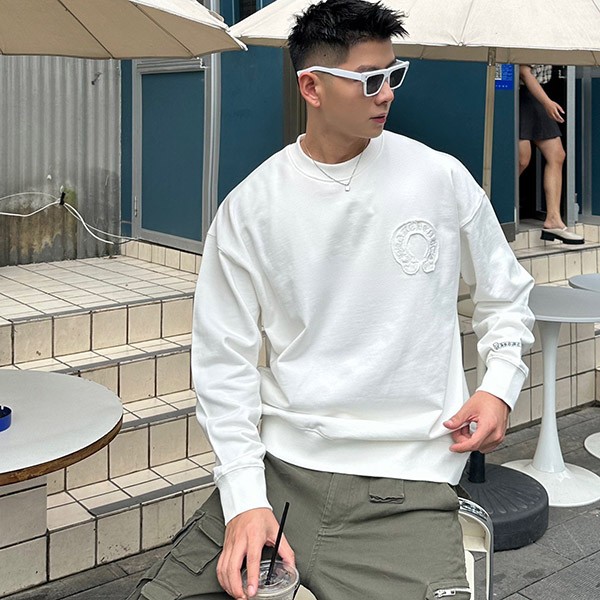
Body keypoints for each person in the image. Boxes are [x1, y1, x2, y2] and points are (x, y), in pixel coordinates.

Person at [128, 1, 535, 599]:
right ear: (311, 87)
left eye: (393, 75)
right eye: (369, 79)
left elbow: (505, 295)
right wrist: (244, 499)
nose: (386, 94)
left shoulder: (440, 179)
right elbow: (223, 363)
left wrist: (499, 385)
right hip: (279, 472)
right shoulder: (251, 207)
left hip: (408, 485)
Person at [518, 64, 584, 244]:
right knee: (522, 159)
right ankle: (494, 207)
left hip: (537, 93)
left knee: (557, 155)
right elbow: (523, 72)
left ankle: (553, 219)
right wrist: (547, 102)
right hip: (517, 94)